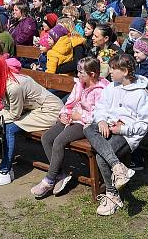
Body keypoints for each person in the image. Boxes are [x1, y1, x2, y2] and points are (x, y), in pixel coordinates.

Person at [0, 56, 62, 188]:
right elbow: (8, 109)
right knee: (6, 125)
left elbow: (13, 114)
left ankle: (5, 171)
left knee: (10, 127)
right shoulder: (2, 80)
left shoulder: (13, 86)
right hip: (35, 109)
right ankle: (6, 169)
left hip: (50, 111)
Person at [83, 54, 148, 216]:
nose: (110, 72)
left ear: (125, 71)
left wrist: (122, 129)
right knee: (88, 127)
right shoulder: (112, 86)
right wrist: (101, 121)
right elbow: (101, 108)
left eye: (114, 69)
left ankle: (113, 195)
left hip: (126, 135)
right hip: (108, 127)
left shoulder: (141, 94)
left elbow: (145, 125)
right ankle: (118, 167)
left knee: (101, 157)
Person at [32, 57, 110, 198]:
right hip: (72, 117)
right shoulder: (80, 84)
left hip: (86, 124)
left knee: (59, 141)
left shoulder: (102, 89)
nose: (78, 75)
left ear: (92, 74)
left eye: (81, 73)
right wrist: (64, 113)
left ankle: (49, 179)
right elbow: (70, 102)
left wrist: (79, 117)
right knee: (47, 138)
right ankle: (60, 174)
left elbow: (99, 115)